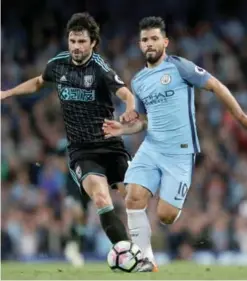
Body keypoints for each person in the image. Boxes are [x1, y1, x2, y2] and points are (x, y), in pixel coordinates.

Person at [102, 16, 247, 272]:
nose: (150, 43)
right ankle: (146, 261)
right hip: (151, 147)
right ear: (140, 44)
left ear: (165, 42)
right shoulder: (138, 81)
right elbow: (144, 121)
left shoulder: (180, 67)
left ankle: (170, 207)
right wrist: (123, 129)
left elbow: (216, 86)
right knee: (133, 198)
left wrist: (241, 117)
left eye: (155, 38)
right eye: (145, 39)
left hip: (179, 152)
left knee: (165, 216)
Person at [1, 13, 138, 252]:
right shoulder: (58, 64)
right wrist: (8, 93)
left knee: (134, 198)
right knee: (101, 198)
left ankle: (143, 247)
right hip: (82, 151)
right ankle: (127, 253)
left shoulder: (100, 68)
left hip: (110, 145)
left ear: (93, 43)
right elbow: (38, 82)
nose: (76, 46)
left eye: (82, 41)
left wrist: (130, 109)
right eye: (73, 41)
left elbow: (126, 93)